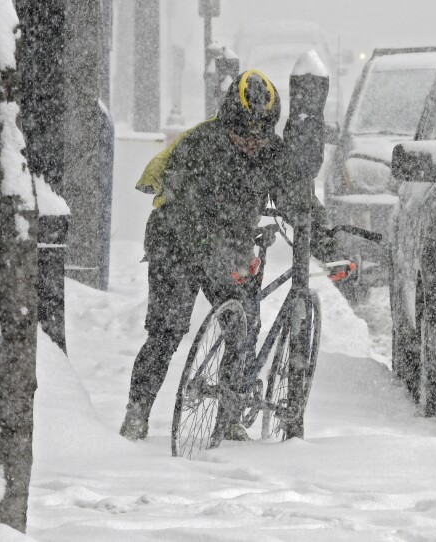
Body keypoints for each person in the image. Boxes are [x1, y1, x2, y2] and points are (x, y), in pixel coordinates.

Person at [121, 70, 355, 441]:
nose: (252, 142)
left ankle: (228, 416)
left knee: (243, 325)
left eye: (261, 133)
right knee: (167, 330)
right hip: (175, 243)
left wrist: (330, 249)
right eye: (244, 133)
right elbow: (187, 217)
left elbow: (297, 201)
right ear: (227, 121)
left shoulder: (271, 153)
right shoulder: (199, 146)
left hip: (227, 247)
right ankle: (137, 413)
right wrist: (224, 257)